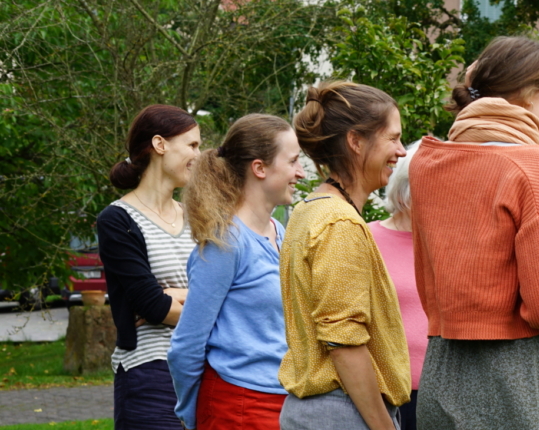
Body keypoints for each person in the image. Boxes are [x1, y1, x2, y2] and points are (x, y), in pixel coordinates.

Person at [407, 36, 539, 430]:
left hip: (443, 369)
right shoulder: (537, 168)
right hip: (521, 375)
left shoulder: (427, 164)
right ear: (529, 92)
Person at [279, 81, 411, 430]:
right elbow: (343, 343)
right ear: (356, 141)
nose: (401, 151)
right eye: (393, 138)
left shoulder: (309, 209)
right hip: (341, 412)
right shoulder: (339, 222)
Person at [170, 114, 305, 429]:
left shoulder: (280, 232)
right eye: (293, 161)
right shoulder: (226, 242)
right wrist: (192, 415)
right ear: (259, 168)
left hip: (285, 401)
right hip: (237, 407)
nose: (300, 172)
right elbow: (186, 346)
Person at [97, 104, 200, 430]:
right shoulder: (118, 220)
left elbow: (228, 290)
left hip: (204, 369)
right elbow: (153, 306)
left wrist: (173, 293)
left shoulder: (197, 217)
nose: (198, 156)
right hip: (150, 374)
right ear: (160, 144)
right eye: (192, 145)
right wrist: (209, 305)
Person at [368, 141, 427, 430]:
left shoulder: (452, 246)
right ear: (406, 190)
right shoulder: (367, 238)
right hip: (385, 394)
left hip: (441, 393)